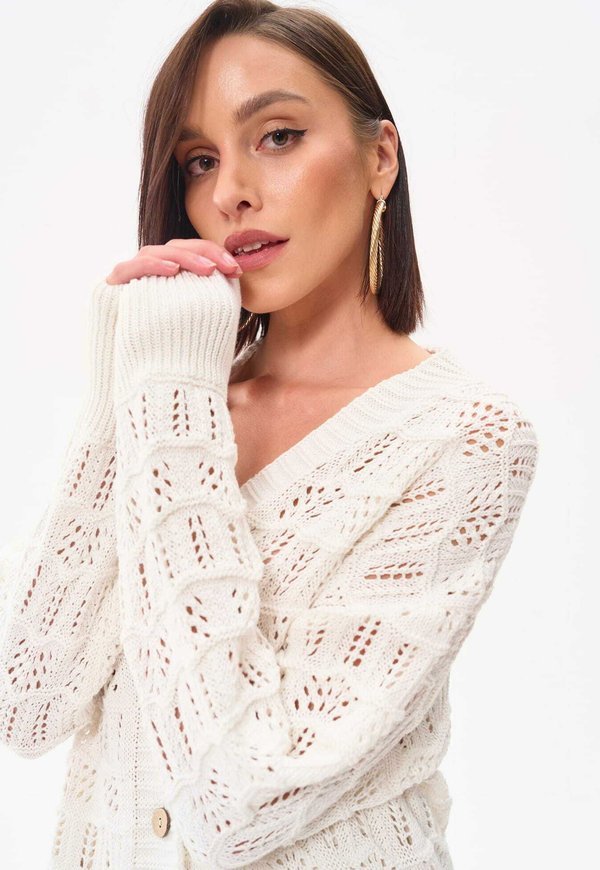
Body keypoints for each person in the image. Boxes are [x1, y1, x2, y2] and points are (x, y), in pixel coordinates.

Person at [0, 1, 539, 867]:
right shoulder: (170, 401)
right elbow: (24, 703)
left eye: (278, 136)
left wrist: (166, 400)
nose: (229, 193)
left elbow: (237, 798)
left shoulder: (464, 438)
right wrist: (123, 383)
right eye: (199, 161)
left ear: (380, 157)